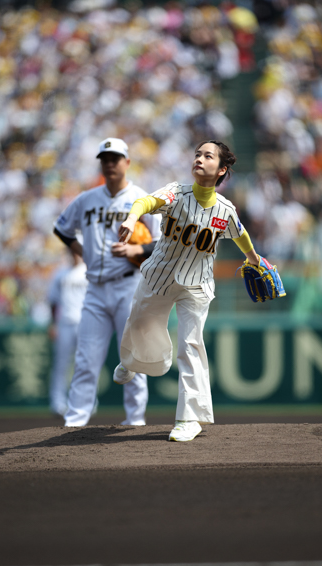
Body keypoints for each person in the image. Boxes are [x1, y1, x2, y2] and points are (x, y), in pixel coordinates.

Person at [113, 139, 263, 442]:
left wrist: (254, 258)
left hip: (196, 285)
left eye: (208, 156)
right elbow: (146, 202)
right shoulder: (177, 192)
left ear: (221, 169)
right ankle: (131, 362)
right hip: (158, 276)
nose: (199, 158)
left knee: (191, 345)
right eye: (197, 154)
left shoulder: (225, 209)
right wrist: (131, 217)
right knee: (140, 323)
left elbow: (240, 232)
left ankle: (189, 418)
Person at [53, 138, 162, 427]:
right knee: (86, 358)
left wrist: (136, 250)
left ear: (127, 162)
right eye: (105, 159)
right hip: (95, 289)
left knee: (132, 356)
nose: (110, 163)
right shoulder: (86, 199)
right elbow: (62, 229)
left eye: (115, 158)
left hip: (129, 284)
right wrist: (81, 252)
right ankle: (75, 420)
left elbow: (163, 242)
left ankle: (135, 418)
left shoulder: (140, 198)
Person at [48, 250, 88, 416]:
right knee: (61, 364)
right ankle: (58, 403)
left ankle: (86, 402)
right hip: (64, 323)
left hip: (85, 323)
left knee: (86, 364)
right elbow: (53, 301)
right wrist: (53, 324)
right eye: (72, 252)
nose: (75, 255)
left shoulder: (89, 271)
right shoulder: (60, 273)